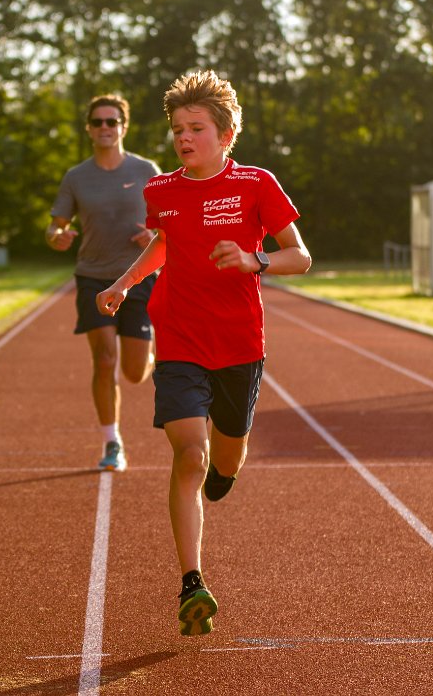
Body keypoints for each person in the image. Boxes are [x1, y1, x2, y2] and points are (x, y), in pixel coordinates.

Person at [97, 70, 311, 636]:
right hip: (180, 339)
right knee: (189, 456)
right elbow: (165, 243)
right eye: (177, 130)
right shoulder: (161, 191)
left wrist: (252, 259)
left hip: (239, 343)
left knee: (226, 460)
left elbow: (300, 257)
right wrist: (123, 284)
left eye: (195, 128)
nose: (184, 138)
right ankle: (192, 582)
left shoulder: (257, 184)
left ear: (226, 134)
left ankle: (226, 468)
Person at [46, 93, 160, 472]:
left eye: (112, 122)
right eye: (98, 122)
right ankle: (112, 441)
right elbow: (55, 225)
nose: (105, 128)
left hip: (139, 276)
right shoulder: (76, 177)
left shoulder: (146, 170)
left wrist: (154, 236)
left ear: (123, 127)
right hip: (93, 277)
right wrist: (57, 236)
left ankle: (150, 353)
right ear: (89, 128)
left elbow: (170, 221)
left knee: (134, 372)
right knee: (104, 359)